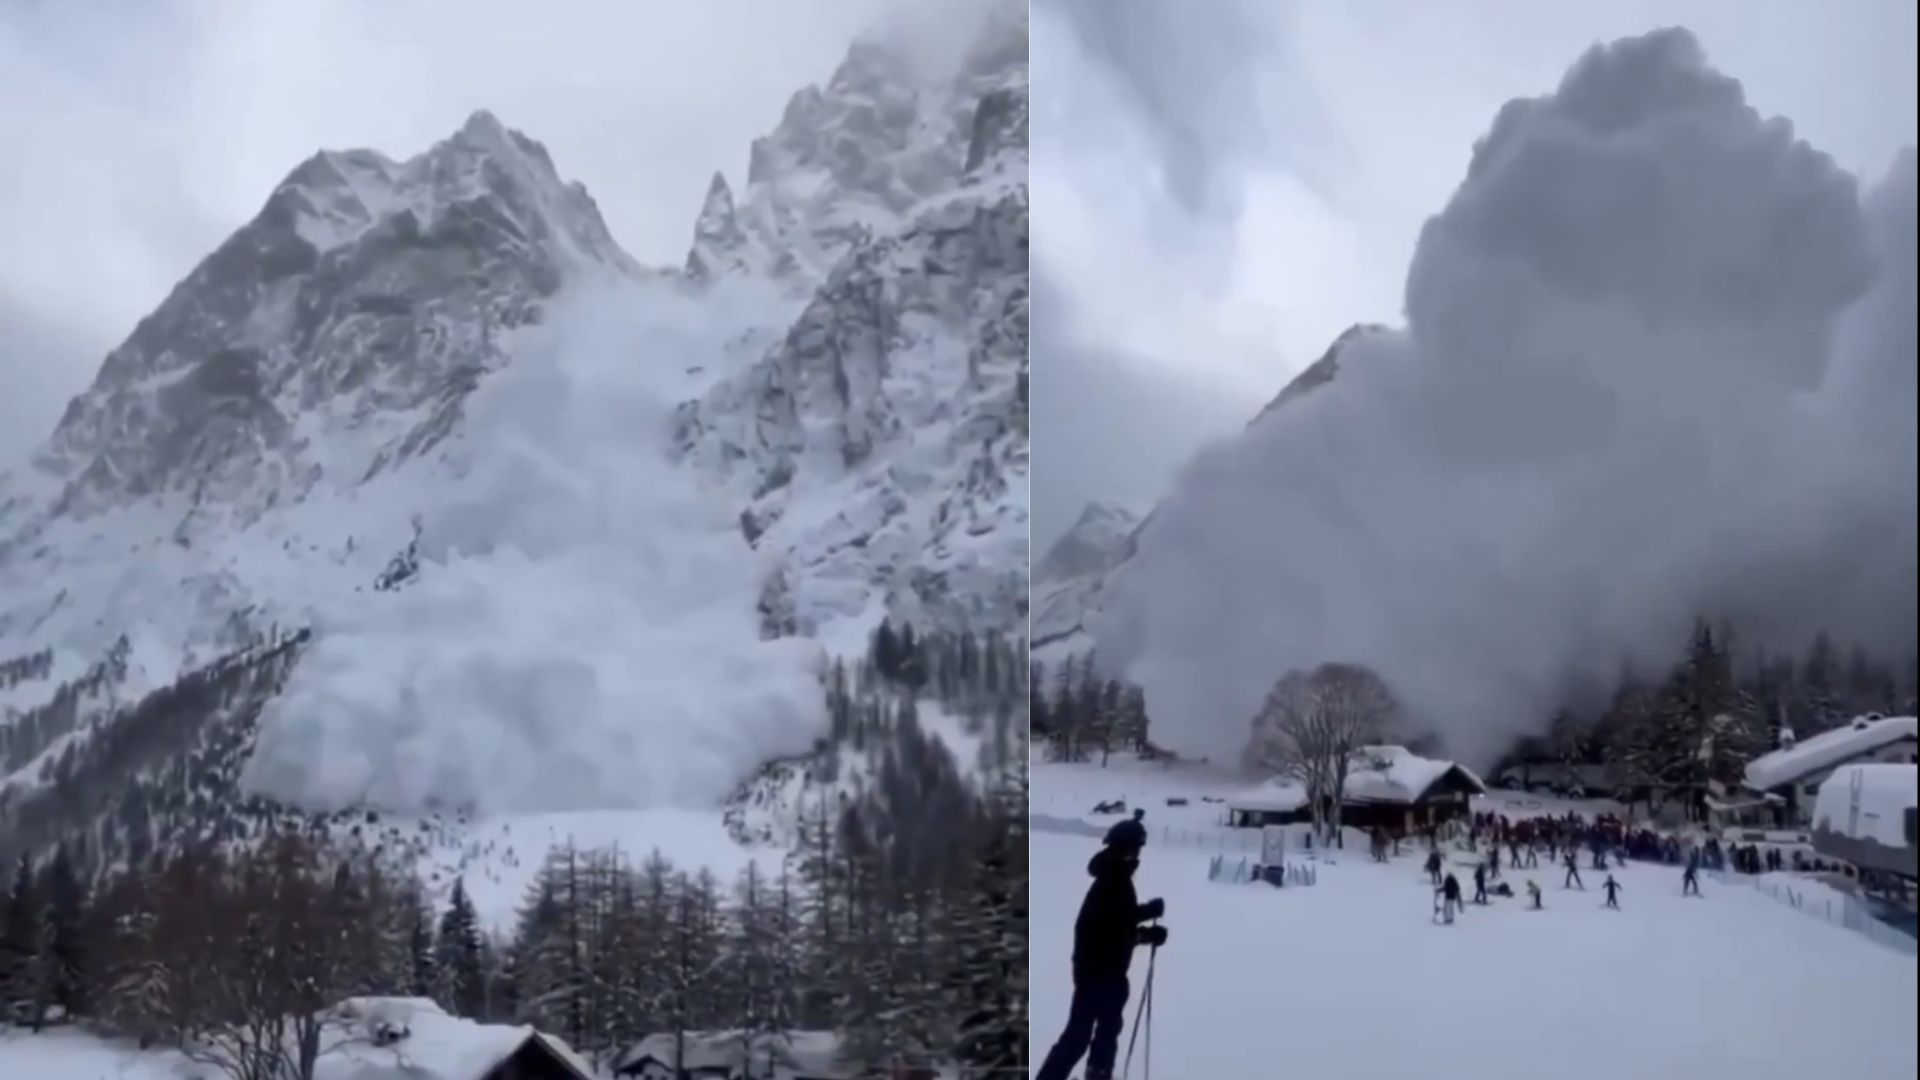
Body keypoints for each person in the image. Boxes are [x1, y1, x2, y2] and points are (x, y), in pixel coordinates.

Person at [1035, 823, 1167, 1080]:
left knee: (1104, 1031)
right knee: (1080, 1036)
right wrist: (1146, 935)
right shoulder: (1113, 881)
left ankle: (1098, 1073)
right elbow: (1112, 933)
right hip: (1098, 973)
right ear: (1123, 848)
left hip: (1102, 972)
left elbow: (1120, 919)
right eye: (1134, 849)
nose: (1137, 855)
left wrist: (1147, 912)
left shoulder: (1114, 877)